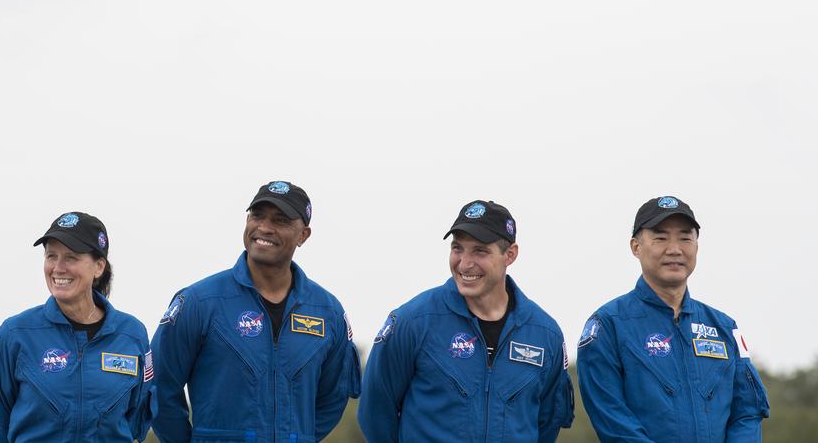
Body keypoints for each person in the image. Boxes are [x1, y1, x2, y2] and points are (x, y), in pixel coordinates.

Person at [150, 181, 360, 443]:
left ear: (303, 235)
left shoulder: (327, 312)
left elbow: (333, 397)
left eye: (281, 220)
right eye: (257, 215)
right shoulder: (200, 302)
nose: (264, 227)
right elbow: (159, 387)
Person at [359, 199, 574, 442]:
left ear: (510, 255)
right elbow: (375, 413)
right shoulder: (413, 321)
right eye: (457, 248)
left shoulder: (545, 334)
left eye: (479, 251)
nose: (464, 263)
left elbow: (547, 424)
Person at [576, 196, 769, 442]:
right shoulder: (608, 325)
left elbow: (748, 413)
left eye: (685, 238)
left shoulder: (724, 327)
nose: (674, 249)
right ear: (636, 247)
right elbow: (611, 416)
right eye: (660, 237)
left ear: (696, 247)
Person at [0, 211, 152, 443]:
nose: (58, 268)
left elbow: (138, 420)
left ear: (99, 267)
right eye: (51, 256)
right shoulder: (15, 334)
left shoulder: (132, 335)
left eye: (71, 257)